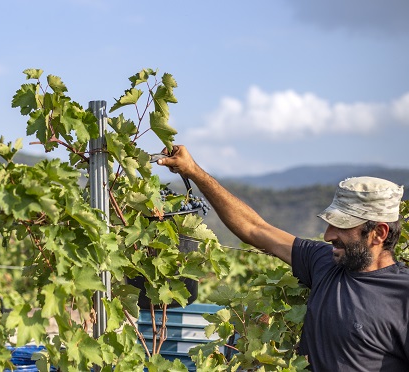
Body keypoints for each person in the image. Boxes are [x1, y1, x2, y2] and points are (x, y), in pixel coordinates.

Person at [157, 145, 407, 371]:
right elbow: (255, 229)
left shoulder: (403, 297)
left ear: (379, 233)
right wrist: (193, 171)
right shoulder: (324, 263)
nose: (328, 235)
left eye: (342, 226)